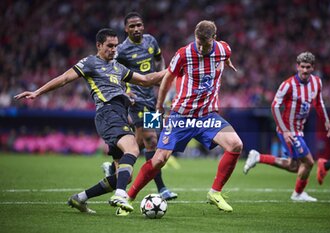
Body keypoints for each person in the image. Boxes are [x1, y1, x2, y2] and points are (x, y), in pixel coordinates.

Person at [14, 28, 165, 213]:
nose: (113, 49)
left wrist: (172, 69)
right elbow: (63, 79)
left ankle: (80, 198)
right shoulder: (90, 62)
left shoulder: (118, 67)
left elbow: (146, 80)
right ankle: (122, 194)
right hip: (108, 113)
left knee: (123, 175)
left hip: (121, 114)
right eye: (109, 46)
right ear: (98, 45)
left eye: (116, 46)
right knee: (134, 147)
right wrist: (37, 92)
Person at [125, 20, 241, 213]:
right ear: (195, 36)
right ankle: (128, 197)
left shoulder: (223, 49)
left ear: (215, 37)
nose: (202, 48)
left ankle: (215, 192)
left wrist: (228, 62)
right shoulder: (183, 54)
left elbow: (226, 55)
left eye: (206, 44)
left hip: (207, 116)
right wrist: (159, 106)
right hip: (181, 116)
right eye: (199, 42)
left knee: (236, 144)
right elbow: (166, 81)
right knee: (159, 157)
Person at [100, 12, 177, 201]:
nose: (136, 29)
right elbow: (112, 71)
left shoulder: (151, 41)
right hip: (136, 100)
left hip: (152, 99)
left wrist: (161, 77)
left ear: (143, 26)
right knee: (152, 139)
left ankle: (114, 166)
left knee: (140, 142)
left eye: (139, 25)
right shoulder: (122, 49)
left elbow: (159, 60)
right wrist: (124, 91)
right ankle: (162, 188)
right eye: (132, 26)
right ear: (126, 29)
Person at [243, 51, 330, 202]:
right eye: (302, 66)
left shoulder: (317, 82)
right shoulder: (288, 85)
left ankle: (258, 157)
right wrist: (284, 131)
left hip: (299, 129)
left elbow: (319, 102)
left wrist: (326, 120)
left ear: (313, 68)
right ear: (297, 66)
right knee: (309, 162)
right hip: (289, 130)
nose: (305, 70)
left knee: (294, 167)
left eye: (308, 67)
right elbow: (274, 107)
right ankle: (297, 194)